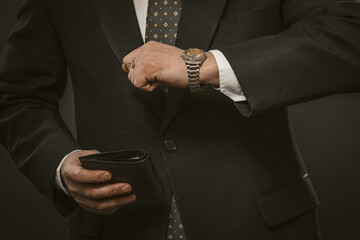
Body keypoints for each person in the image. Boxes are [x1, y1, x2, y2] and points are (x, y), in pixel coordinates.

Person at [0, 0, 359, 239]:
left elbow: (349, 33)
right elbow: (16, 94)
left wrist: (205, 66)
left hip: (261, 226)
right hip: (117, 227)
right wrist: (59, 165)